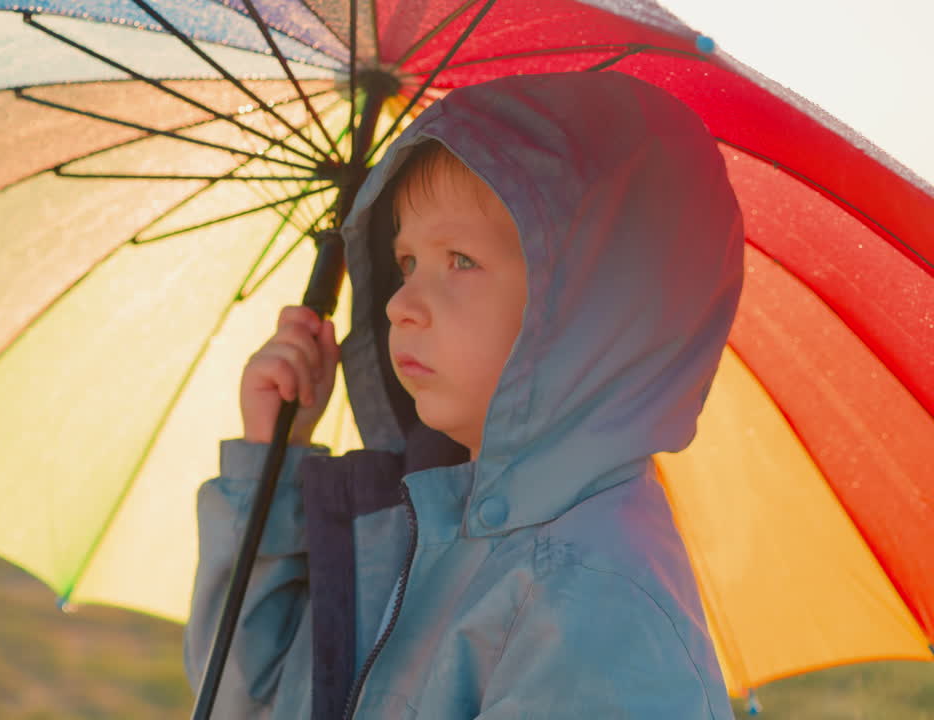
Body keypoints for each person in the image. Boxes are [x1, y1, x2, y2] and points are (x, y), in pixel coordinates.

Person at [185, 71, 743, 719]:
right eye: (406, 264)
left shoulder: (595, 601)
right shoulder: (414, 525)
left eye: (460, 260)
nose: (401, 304)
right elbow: (250, 705)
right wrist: (272, 456)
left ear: (587, 305)